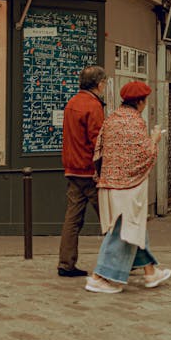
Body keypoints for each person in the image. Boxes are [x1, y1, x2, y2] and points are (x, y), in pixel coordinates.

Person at [85, 80, 171, 294]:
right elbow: (144, 155)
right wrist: (155, 139)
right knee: (123, 230)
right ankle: (100, 276)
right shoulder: (135, 123)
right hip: (128, 187)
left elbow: (99, 150)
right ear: (140, 102)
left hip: (109, 184)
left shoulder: (112, 119)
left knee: (134, 225)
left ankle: (150, 272)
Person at [58, 65, 107, 277]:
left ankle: (66, 263)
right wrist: (103, 168)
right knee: (109, 218)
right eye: (104, 83)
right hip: (89, 170)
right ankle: (121, 261)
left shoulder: (72, 103)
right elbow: (97, 141)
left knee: (72, 219)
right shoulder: (92, 106)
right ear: (99, 84)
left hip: (72, 168)